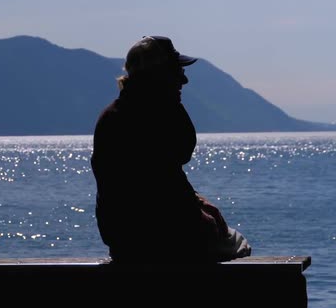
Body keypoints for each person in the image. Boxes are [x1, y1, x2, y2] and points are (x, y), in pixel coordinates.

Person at [91, 35, 251, 264]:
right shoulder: (155, 118)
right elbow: (167, 192)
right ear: (158, 74)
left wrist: (196, 201)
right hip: (171, 243)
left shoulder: (111, 117)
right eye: (177, 71)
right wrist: (205, 219)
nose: (183, 80)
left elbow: (151, 184)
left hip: (123, 244)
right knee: (239, 244)